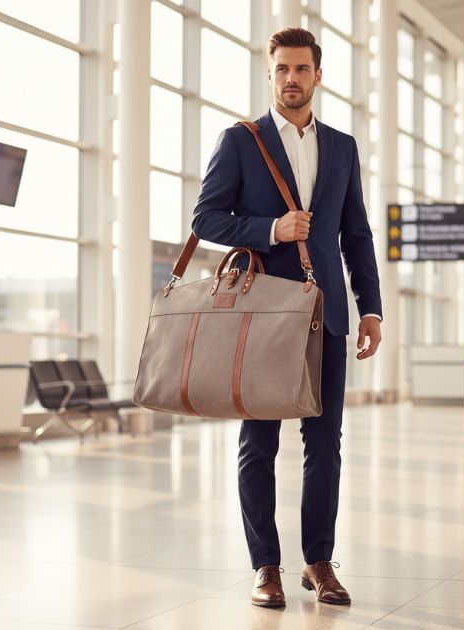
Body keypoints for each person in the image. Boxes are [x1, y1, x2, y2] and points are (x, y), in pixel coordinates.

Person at [191, 27, 384, 608]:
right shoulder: (241, 141)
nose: (292, 79)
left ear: (317, 76)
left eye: (302, 69)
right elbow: (206, 219)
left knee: (326, 444)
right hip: (263, 316)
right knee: (260, 443)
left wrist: (370, 305)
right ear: (270, 74)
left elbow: (356, 233)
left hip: (326, 317)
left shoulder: (343, 147)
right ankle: (265, 566)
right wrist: (271, 230)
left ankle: (318, 561)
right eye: (282, 70)